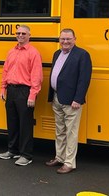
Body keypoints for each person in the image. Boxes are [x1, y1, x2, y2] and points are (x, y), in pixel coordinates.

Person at [45, 28, 92, 174]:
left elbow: (84, 79)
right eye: (62, 39)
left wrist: (78, 99)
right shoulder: (57, 53)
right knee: (59, 130)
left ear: (74, 39)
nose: (65, 42)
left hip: (72, 101)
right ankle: (59, 157)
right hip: (57, 97)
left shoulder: (82, 55)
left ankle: (69, 163)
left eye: (68, 39)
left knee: (71, 132)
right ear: (59, 40)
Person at [0, 25, 43, 166]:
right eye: (18, 33)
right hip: (11, 90)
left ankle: (26, 155)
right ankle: (12, 150)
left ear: (29, 35)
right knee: (12, 122)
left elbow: (37, 75)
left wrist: (33, 95)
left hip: (25, 91)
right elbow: (6, 70)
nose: (20, 35)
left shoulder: (33, 53)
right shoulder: (11, 51)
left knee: (25, 124)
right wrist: (2, 88)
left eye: (23, 33)